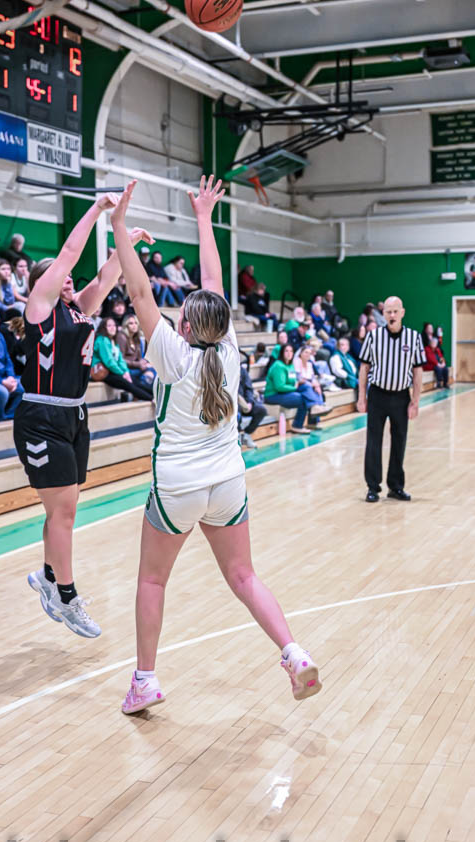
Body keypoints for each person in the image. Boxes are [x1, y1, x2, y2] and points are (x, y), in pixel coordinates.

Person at [109, 175, 321, 712]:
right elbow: (213, 282)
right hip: (227, 481)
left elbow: (139, 291)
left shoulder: (172, 354)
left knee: (152, 582)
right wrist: (205, 218)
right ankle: (294, 653)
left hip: (177, 485)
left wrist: (118, 226)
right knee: (244, 576)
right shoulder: (228, 350)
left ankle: (145, 680)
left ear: (183, 325)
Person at [13, 192, 152, 640]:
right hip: (42, 416)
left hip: (74, 416)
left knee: (61, 510)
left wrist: (125, 241)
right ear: (43, 282)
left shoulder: (77, 309)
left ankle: (48, 576)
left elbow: (109, 275)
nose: (69, 276)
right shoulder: (40, 309)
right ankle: (66, 596)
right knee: (65, 513)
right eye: (60, 273)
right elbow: (71, 252)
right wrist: (97, 209)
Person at [357, 296, 425, 502]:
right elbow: (364, 368)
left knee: (399, 442)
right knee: (373, 442)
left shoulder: (414, 337)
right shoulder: (373, 337)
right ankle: (372, 487)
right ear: (383, 314)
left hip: (401, 396)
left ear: (402, 313)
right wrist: (361, 397)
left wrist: (415, 401)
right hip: (377, 395)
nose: (392, 315)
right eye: (388, 312)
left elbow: (418, 371)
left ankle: (395, 486)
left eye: (395, 311)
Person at [264, 341, 325, 435]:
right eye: (286, 351)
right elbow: (279, 387)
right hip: (273, 395)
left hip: (286, 391)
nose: (289, 353)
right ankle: (297, 426)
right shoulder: (278, 366)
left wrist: (299, 382)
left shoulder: (290, 365)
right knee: (301, 398)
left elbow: (293, 381)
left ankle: (314, 414)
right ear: (282, 353)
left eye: (291, 351)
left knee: (308, 387)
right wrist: (294, 387)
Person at [90, 316, 154, 401]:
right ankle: (151, 399)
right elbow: (109, 362)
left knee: (134, 381)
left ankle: (156, 395)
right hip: (102, 372)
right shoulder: (102, 340)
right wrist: (122, 373)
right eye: (109, 326)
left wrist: (126, 372)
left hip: (112, 371)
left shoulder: (113, 340)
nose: (113, 328)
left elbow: (120, 360)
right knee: (128, 384)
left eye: (114, 325)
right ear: (104, 328)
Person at [117, 314, 156, 389]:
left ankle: (145, 392)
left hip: (136, 367)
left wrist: (144, 363)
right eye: (131, 323)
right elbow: (121, 359)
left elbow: (139, 357)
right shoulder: (121, 337)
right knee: (149, 373)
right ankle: (144, 392)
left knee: (153, 370)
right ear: (126, 325)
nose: (134, 325)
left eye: (136, 323)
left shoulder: (136, 337)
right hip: (126, 369)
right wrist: (138, 364)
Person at [237, 362, 266, 449]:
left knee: (261, 410)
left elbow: (249, 388)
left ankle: (246, 435)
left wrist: (249, 402)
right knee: (236, 413)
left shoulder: (242, 370)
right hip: (233, 403)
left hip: (245, 402)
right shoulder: (225, 369)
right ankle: (237, 437)